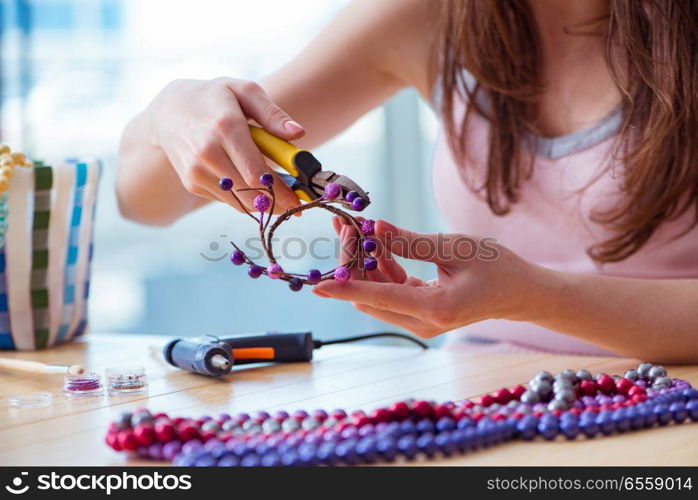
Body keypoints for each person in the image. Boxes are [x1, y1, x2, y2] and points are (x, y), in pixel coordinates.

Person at [117, 0, 698, 362]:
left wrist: (535, 296)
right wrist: (171, 113)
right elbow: (143, 198)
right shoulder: (422, 16)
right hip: (485, 415)